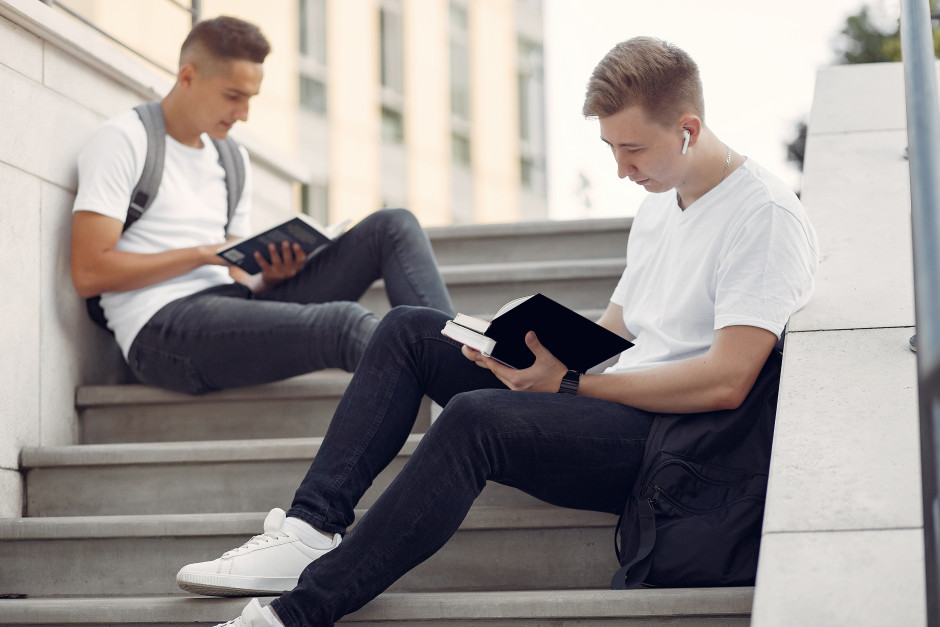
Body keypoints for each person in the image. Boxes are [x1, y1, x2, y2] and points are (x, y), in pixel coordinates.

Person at [183, 36, 819, 626]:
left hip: (671, 446)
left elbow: (728, 381)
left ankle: (295, 613)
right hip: (613, 401)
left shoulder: (761, 216)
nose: (622, 169)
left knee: (473, 419)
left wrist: (567, 389)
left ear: (688, 129)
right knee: (410, 329)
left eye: (634, 149)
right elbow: (616, 332)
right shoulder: (659, 206)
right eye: (610, 149)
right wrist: (516, 349)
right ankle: (307, 532)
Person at [69, 16, 453, 395]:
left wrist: (269, 276)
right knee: (345, 324)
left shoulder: (231, 158)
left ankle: (458, 362)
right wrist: (203, 254)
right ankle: (463, 391)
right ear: (187, 77)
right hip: (160, 331)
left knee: (393, 225)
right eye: (233, 96)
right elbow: (88, 272)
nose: (243, 114)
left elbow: (237, 280)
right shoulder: (125, 140)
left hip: (229, 307)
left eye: (250, 99)